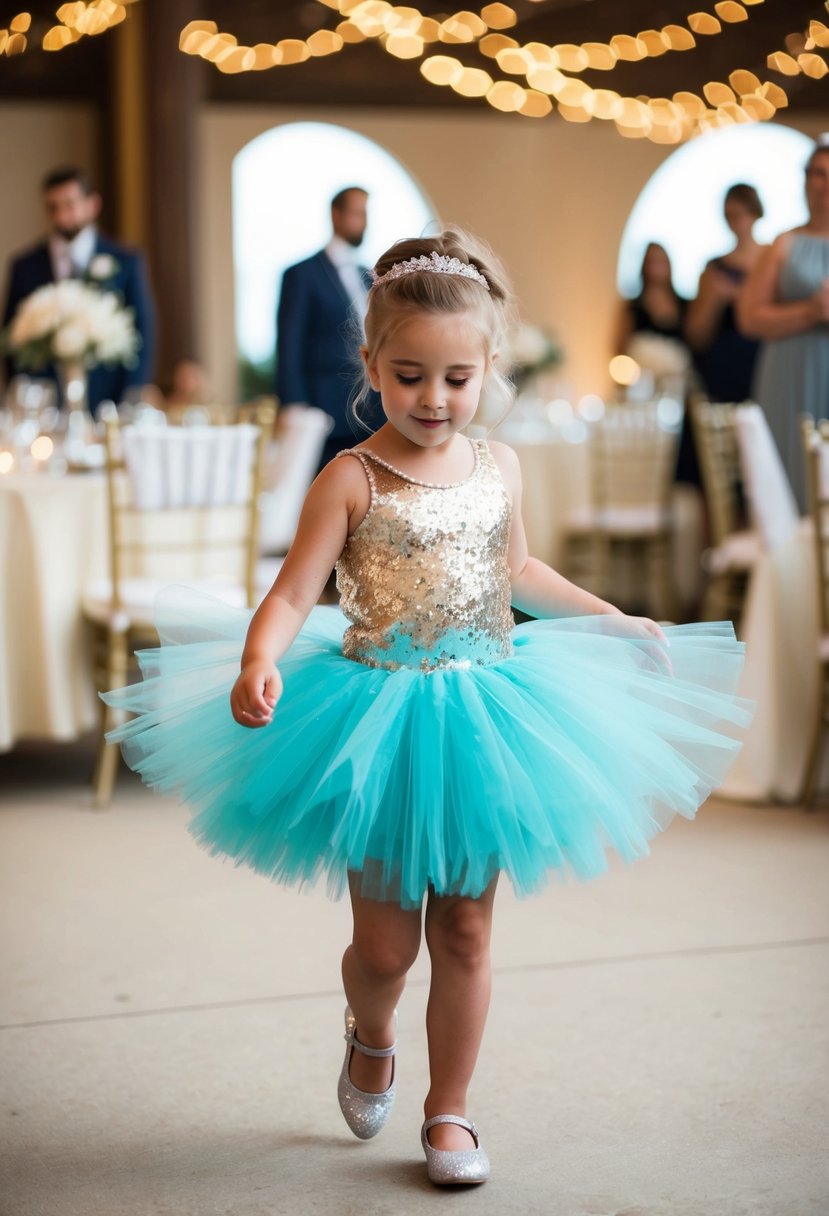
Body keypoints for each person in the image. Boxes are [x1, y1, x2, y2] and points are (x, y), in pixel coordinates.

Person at [103, 230, 750, 1187]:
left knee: (466, 930)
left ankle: (448, 1112)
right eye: (410, 376)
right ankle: (371, 1029)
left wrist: (611, 618)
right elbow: (291, 593)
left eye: (456, 377)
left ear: (488, 369)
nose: (435, 399)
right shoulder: (350, 478)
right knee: (384, 945)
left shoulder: (500, 467)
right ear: (370, 367)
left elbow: (517, 568)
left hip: (487, 709)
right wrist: (257, 657)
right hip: (376, 717)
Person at [2, 166, 155, 413]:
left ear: (92, 204)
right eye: (53, 207)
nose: (62, 216)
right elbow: (12, 342)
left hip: (108, 404)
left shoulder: (126, 261)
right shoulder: (24, 267)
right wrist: (27, 404)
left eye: (70, 205)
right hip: (47, 407)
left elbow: (142, 333)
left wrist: (128, 401)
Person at [738, 141, 829, 512]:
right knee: (790, 474)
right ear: (806, 182)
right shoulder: (784, 244)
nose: (825, 185)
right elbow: (749, 317)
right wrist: (811, 310)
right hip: (790, 374)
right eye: (818, 174)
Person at [275, 186, 375, 469]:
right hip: (324, 404)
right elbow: (289, 340)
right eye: (356, 213)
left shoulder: (366, 275)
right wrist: (293, 402)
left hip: (370, 407)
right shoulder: (301, 274)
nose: (362, 222)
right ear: (336, 215)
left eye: (365, 214)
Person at [686, 184, 764, 404]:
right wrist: (716, 299)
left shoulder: (772, 261)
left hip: (762, 360)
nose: (734, 222)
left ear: (754, 213)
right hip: (725, 365)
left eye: (739, 215)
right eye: (729, 216)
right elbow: (696, 334)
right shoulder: (715, 269)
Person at [616, 241, 689, 352]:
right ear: (645, 266)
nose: (658, 268)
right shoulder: (634, 308)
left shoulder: (685, 306)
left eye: (661, 261)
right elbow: (619, 349)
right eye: (653, 262)